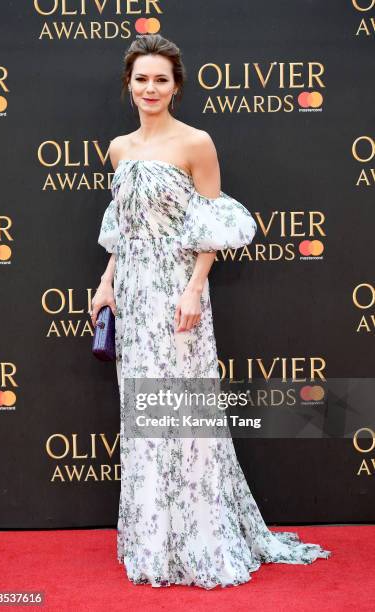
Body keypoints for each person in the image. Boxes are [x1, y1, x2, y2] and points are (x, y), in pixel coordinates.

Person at [91, 33, 331, 589]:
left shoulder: (196, 142)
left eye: (161, 79)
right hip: (133, 295)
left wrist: (196, 287)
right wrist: (105, 285)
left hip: (178, 296)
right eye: (142, 79)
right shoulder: (119, 148)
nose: (151, 88)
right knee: (143, 420)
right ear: (129, 86)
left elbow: (211, 225)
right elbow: (121, 232)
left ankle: (200, 537)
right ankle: (154, 542)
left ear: (176, 86)